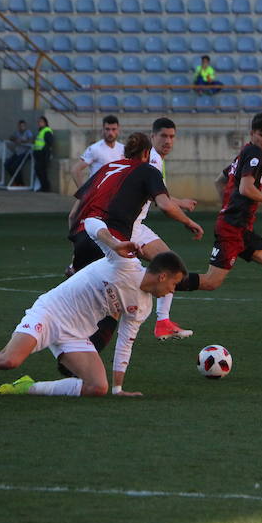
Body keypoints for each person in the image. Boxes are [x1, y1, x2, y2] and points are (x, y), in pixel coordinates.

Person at [0, 218, 188, 398]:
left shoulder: (143, 306)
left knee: (97, 387)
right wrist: (114, 242)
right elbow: (91, 223)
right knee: (8, 361)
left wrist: (118, 388)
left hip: (76, 335)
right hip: (51, 312)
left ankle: (27, 388)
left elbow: (125, 342)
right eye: (174, 284)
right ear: (162, 275)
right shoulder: (124, 263)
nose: (173, 291)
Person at [64, 132, 203, 365]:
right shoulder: (148, 170)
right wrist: (189, 222)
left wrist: (75, 248)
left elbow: (72, 213)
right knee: (116, 305)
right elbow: (165, 205)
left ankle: (71, 349)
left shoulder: (107, 168)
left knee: (93, 304)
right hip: (113, 242)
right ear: (147, 153)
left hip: (84, 235)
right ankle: (77, 361)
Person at [174, 112, 262, 342]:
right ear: (252, 134)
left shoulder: (244, 153)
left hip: (241, 229)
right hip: (232, 229)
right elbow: (246, 189)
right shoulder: (254, 155)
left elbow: (220, 179)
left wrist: (227, 205)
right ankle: (157, 282)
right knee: (211, 282)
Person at [132, 118, 201, 341]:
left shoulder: (155, 160)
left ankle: (163, 322)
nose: (168, 141)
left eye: (172, 136)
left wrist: (179, 202)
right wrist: (187, 221)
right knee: (164, 266)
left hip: (135, 225)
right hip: (128, 227)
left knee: (167, 261)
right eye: (163, 136)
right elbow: (163, 203)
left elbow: (159, 195)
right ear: (152, 137)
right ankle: (159, 320)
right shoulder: (152, 160)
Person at [70, 114, 125, 188]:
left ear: (118, 130)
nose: (110, 133)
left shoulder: (123, 148)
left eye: (113, 129)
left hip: (116, 193)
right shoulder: (95, 149)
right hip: (98, 194)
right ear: (102, 130)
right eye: (107, 129)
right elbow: (75, 170)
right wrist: (82, 192)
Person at [4, 119, 33, 186]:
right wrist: (15, 139)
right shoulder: (17, 132)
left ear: (25, 126)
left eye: (23, 126)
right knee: (6, 164)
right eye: (20, 126)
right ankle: (16, 181)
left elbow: (31, 140)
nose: (21, 127)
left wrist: (22, 141)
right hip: (17, 152)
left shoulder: (28, 132)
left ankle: (21, 183)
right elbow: (11, 137)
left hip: (25, 153)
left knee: (15, 166)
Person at [33, 116, 54, 192]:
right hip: (39, 154)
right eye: (38, 122)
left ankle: (45, 188)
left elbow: (49, 143)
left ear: (45, 123)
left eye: (41, 122)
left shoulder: (47, 131)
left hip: (43, 154)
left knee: (42, 172)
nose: (39, 123)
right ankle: (44, 187)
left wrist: (43, 152)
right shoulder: (41, 131)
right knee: (39, 171)